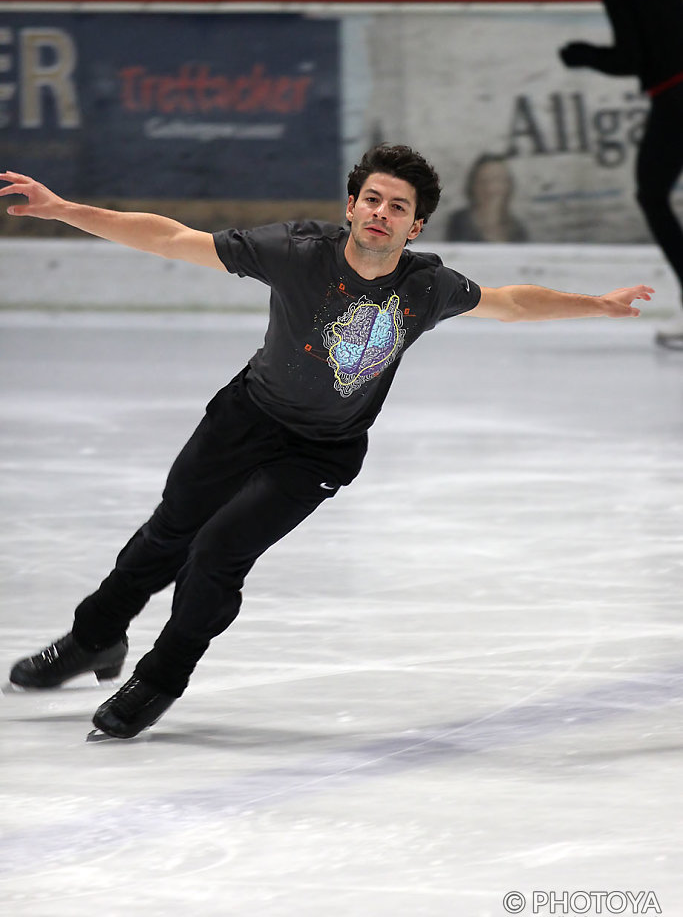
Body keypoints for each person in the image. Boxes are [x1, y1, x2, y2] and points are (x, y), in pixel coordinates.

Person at [0, 145, 654, 740]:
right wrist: (61, 210)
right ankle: (94, 636)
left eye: (398, 206)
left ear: (414, 226)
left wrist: (596, 304)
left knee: (215, 555)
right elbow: (172, 238)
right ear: (351, 206)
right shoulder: (295, 251)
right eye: (371, 198)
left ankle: (163, 675)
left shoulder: (424, 288)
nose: (381, 211)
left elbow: (511, 302)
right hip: (245, 416)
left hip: (318, 452)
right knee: (169, 530)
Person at [559, 0, 683, 350]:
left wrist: (583, 55)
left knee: (651, 195)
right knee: (652, 193)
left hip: (676, 97)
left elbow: (632, 56)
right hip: (674, 93)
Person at [445, 153, 529, 243]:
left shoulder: (517, 228)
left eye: (498, 180)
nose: (491, 188)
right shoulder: (459, 222)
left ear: (508, 185)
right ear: (472, 186)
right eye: (484, 181)